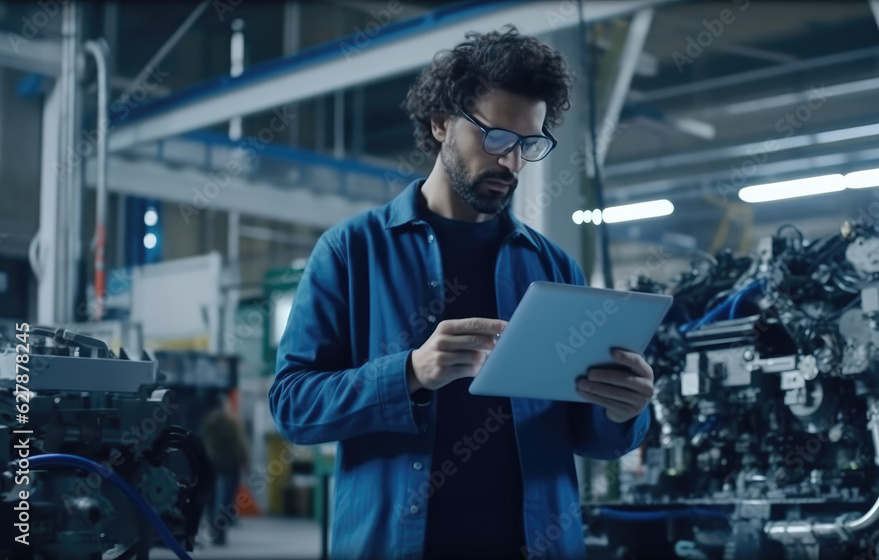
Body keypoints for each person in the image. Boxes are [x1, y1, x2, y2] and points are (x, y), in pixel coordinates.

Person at [269, 26, 654, 560]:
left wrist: (624, 410)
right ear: (441, 122)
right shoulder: (351, 251)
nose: (512, 163)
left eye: (528, 145)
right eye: (496, 138)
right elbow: (292, 405)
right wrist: (409, 373)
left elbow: (586, 434)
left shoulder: (553, 266)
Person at [200, 393, 250, 546]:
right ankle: (220, 532)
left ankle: (215, 530)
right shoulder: (232, 421)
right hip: (230, 464)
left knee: (212, 499)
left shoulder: (209, 422)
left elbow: (203, 443)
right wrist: (245, 461)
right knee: (226, 500)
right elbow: (241, 443)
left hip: (213, 463)